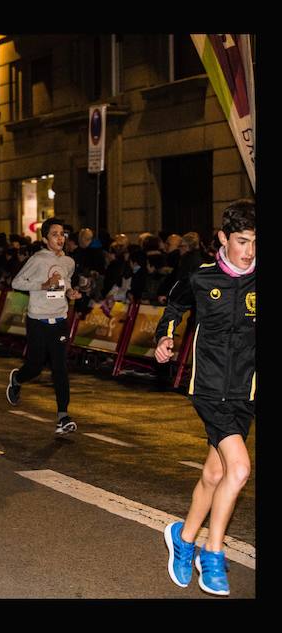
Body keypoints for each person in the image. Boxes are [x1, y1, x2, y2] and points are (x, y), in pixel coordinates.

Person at [157, 200, 255, 597]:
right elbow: (174, 306)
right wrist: (165, 334)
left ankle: (183, 537)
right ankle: (212, 554)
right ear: (224, 238)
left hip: (246, 392)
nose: (249, 251)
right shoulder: (200, 276)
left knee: (215, 474)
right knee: (240, 469)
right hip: (210, 388)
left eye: (255, 243)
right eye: (243, 241)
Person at [6, 217, 82, 435]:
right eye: (55, 234)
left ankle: (63, 416)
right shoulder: (38, 259)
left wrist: (70, 292)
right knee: (36, 366)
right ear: (45, 238)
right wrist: (43, 285)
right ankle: (17, 378)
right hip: (38, 320)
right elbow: (17, 283)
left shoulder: (68, 262)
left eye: (62, 234)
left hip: (59, 320)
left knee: (60, 368)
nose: (60, 238)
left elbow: (64, 284)